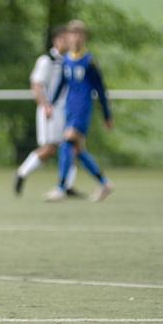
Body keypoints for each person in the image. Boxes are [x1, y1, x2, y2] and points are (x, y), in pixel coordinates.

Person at [45, 19, 114, 202]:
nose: (74, 37)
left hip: (83, 110)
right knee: (77, 151)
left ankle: (60, 188)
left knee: (67, 144)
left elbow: (100, 89)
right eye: (72, 33)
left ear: (84, 37)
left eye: (78, 34)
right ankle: (105, 183)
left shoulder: (89, 62)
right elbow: (62, 83)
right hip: (70, 109)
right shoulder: (67, 59)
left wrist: (107, 115)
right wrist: (50, 103)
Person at [13, 25, 80, 197]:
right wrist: (45, 105)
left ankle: (66, 185)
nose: (70, 42)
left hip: (67, 110)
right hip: (51, 110)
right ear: (57, 40)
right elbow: (36, 84)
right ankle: (22, 172)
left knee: (72, 145)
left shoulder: (69, 60)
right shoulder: (46, 60)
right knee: (50, 148)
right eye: (66, 38)